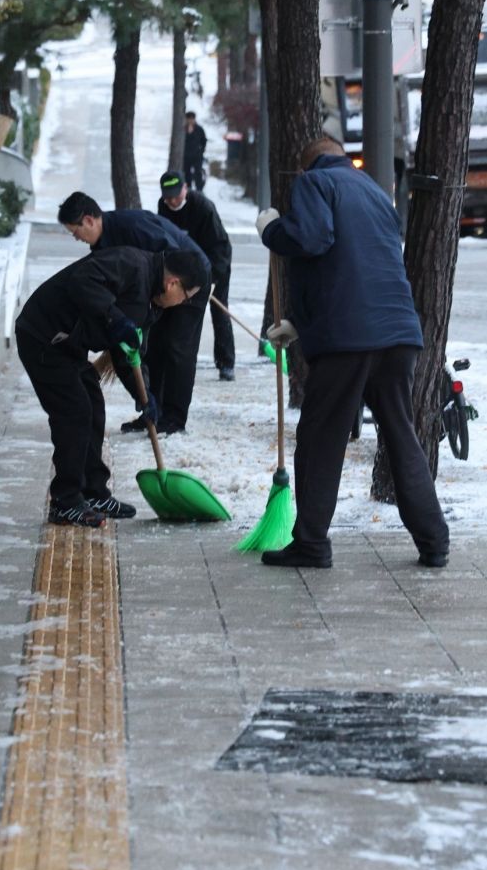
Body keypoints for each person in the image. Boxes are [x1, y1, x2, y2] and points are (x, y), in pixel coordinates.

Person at [256, 135, 450, 570]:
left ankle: (310, 544)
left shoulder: (314, 184)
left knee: (320, 439)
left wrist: (272, 229)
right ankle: (434, 541)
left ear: (309, 167)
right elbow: (353, 261)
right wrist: (300, 326)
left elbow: (312, 238)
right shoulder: (376, 192)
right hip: (398, 333)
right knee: (401, 436)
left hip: (349, 338)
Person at [16, 246, 208, 527]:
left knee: (93, 404)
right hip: (43, 337)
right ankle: (65, 502)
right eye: (186, 297)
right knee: (75, 412)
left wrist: (145, 397)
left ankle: (94, 492)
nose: (182, 303)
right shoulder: (131, 264)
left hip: (69, 345)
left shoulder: (151, 303)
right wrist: (113, 316)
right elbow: (82, 280)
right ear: (173, 283)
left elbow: (127, 354)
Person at [57, 191, 211, 434]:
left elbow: (174, 258)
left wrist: (165, 297)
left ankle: (174, 419)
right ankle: (152, 410)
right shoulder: (101, 245)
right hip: (160, 291)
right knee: (152, 348)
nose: (77, 238)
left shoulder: (132, 226)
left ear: (88, 220)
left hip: (188, 281)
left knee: (177, 348)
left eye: (76, 232)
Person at [158, 169, 235, 380]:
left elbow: (219, 247)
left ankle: (226, 363)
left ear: (185, 188)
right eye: (168, 196)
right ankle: (174, 360)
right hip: (185, 266)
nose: (172, 201)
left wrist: (213, 281)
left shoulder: (203, 208)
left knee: (219, 311)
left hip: (215, 263)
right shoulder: (163, 206)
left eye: (176, 194)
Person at [183, 111, 207, 191]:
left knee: (198, 173)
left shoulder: (199, 129)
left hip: (197, 155)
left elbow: (204, 141)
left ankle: (199, 189)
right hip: (186, 156)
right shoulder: (183, 129)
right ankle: (188, 189)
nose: (190, 120)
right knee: (187, 173)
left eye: (191, 119)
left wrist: (202, 151)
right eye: (188, 119)